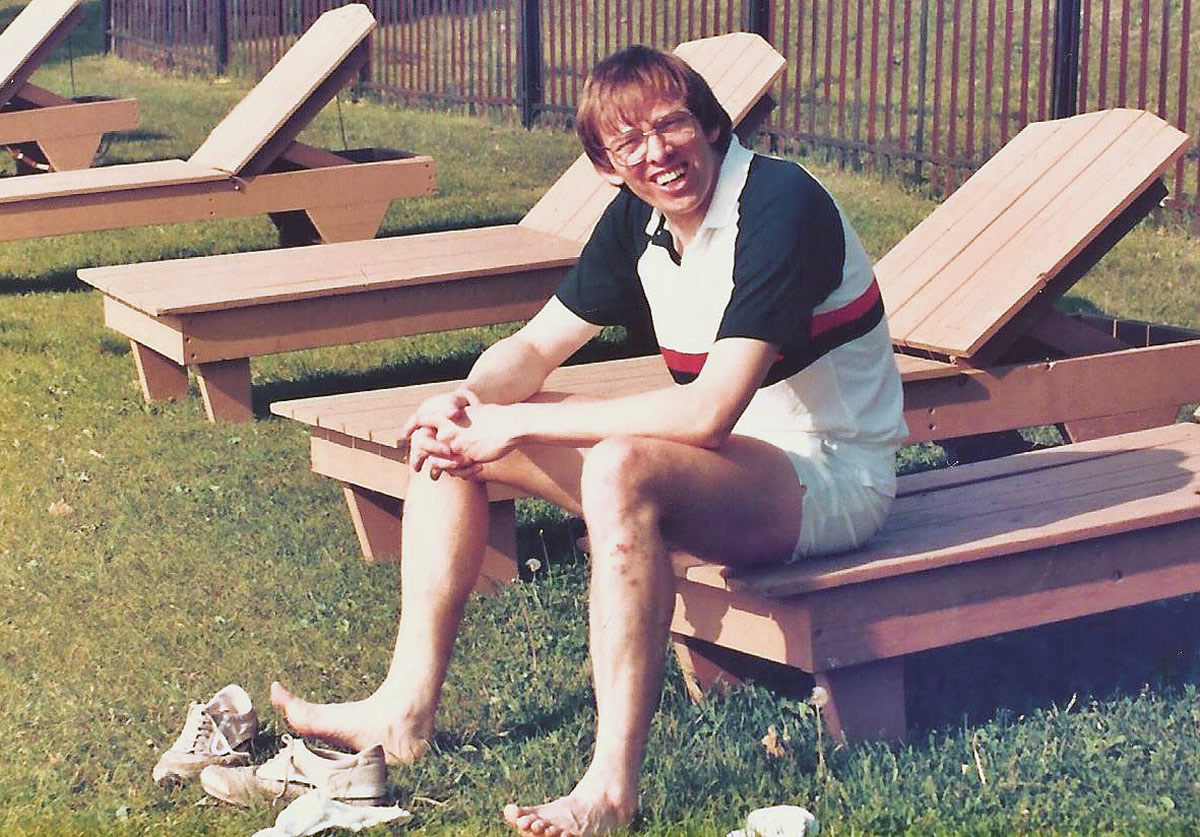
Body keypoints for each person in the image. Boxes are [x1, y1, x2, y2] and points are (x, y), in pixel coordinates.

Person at [270, 43, 907, 837]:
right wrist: (470, 399)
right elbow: (535, 348)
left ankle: (609, 789)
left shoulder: (780, 204)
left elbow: (708, 412)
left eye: (671, 125)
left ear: (711, 125)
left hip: (830, 474)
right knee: (456, 436)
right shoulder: (640, 220)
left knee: (619, 466)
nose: (657, 153)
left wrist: (520, 421)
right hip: (724, 468)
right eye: (629, 142)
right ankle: (403, 710)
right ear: (607, 165)